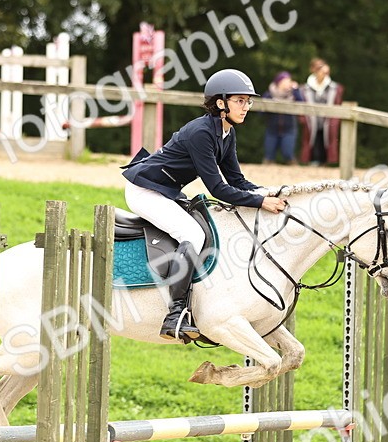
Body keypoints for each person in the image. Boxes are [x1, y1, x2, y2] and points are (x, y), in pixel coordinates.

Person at [121, 68, 288, 343]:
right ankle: (175, 314)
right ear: (220, 103)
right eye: (240, 100)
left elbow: (237, 179)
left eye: (248, 101)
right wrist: (260, 202)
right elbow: (219, 189)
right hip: (144, 190)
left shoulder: (226, 133)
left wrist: (271, 193)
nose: (246, 107)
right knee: (193, 234)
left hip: (167, 191)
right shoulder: (201, 132)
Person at [300, 58, 344, 165]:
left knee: (327, 140)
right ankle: (313, 160)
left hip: (328, 120)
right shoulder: (305, 88)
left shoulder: (334, 88)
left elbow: (337, 104)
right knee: (312, 140)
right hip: (311, 119)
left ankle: (327, 162)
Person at [260, 71, 304, 165]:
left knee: (288, 154)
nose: (288, 83)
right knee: (269, 156)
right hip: (272, 129)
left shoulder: (293, 94)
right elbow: (261, 111)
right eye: (286, 81)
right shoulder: (269, 94)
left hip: (289, 129)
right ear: (279, 82)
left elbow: (302, 105)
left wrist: (296, 90)